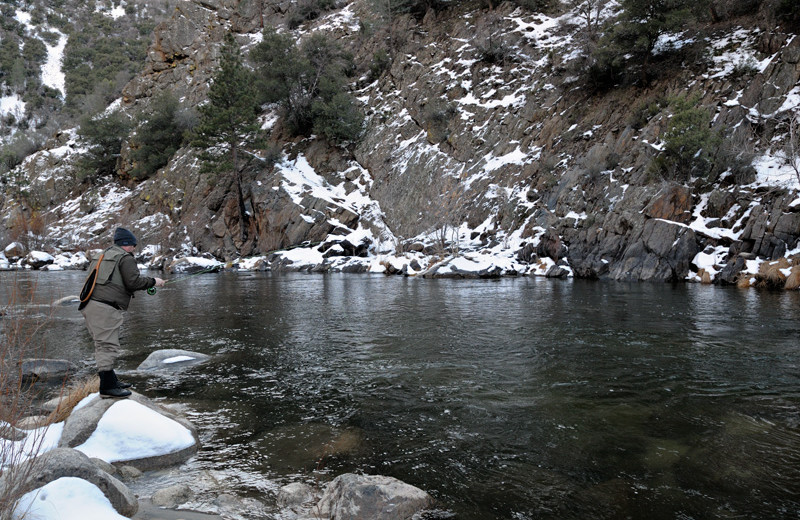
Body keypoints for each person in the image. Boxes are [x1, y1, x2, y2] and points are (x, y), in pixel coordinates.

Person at [80, 227, 165, 398]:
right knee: (107, 345)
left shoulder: (102, 254)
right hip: (105, 307)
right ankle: (107, 388)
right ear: (127, 244)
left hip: (89, 305)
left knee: (102, 343)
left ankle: (111, 380)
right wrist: (154, 281)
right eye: (133, 245)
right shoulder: (125, 258)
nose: (134, 249)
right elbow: (133, 282)